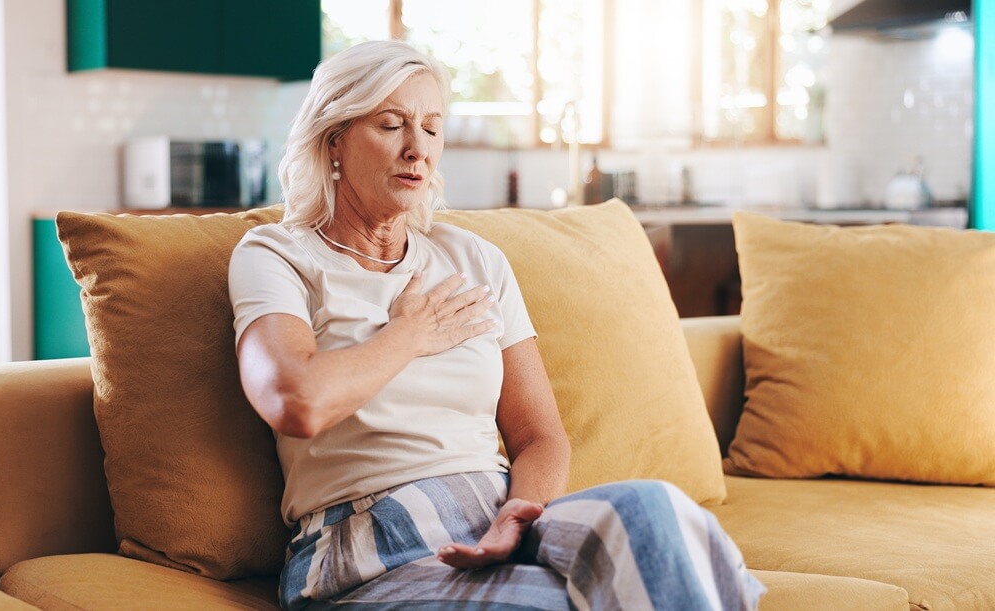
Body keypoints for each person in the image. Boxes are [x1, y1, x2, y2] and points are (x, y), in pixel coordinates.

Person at [229, 40, 764, 610]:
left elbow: (540, 437)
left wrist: (517, 513)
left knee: (656, 513)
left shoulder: (474, 259)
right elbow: (296, 401)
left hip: (499, 522)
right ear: (334, 138)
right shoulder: (276, 255)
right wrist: (410, 333)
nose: (417, 149)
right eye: (391, 124)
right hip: (369, 549)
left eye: (431, 129)